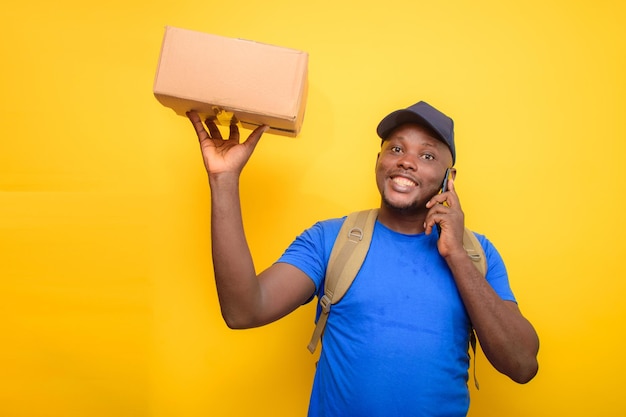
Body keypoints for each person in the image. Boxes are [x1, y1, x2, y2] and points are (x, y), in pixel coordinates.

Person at [186, 100, 539, 417]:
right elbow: (244, 311)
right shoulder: (331, 239)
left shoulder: (478, 254)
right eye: (396, 148)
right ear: (379, 161)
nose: (406, 161)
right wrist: (224, 179)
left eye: (427, 156)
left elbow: (522, 365)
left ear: (450, 179)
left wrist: (457, 256)